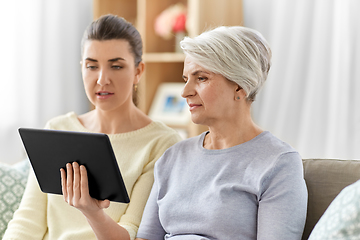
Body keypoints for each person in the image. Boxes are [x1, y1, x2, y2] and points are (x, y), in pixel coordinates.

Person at [3, 14, 182, 240]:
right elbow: (27, 221)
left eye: (116, 66)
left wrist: (93, 213)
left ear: (138, 71)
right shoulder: (57, 129)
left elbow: (132, 233)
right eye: (92, 66)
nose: (102, 79)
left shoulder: (162, 143)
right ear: (82, 68)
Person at [135, 26, 308, 240]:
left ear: (240, 86)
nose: (185, 92)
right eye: (185, 79)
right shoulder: (172, 157)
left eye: (201, 78)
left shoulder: (278, 163)